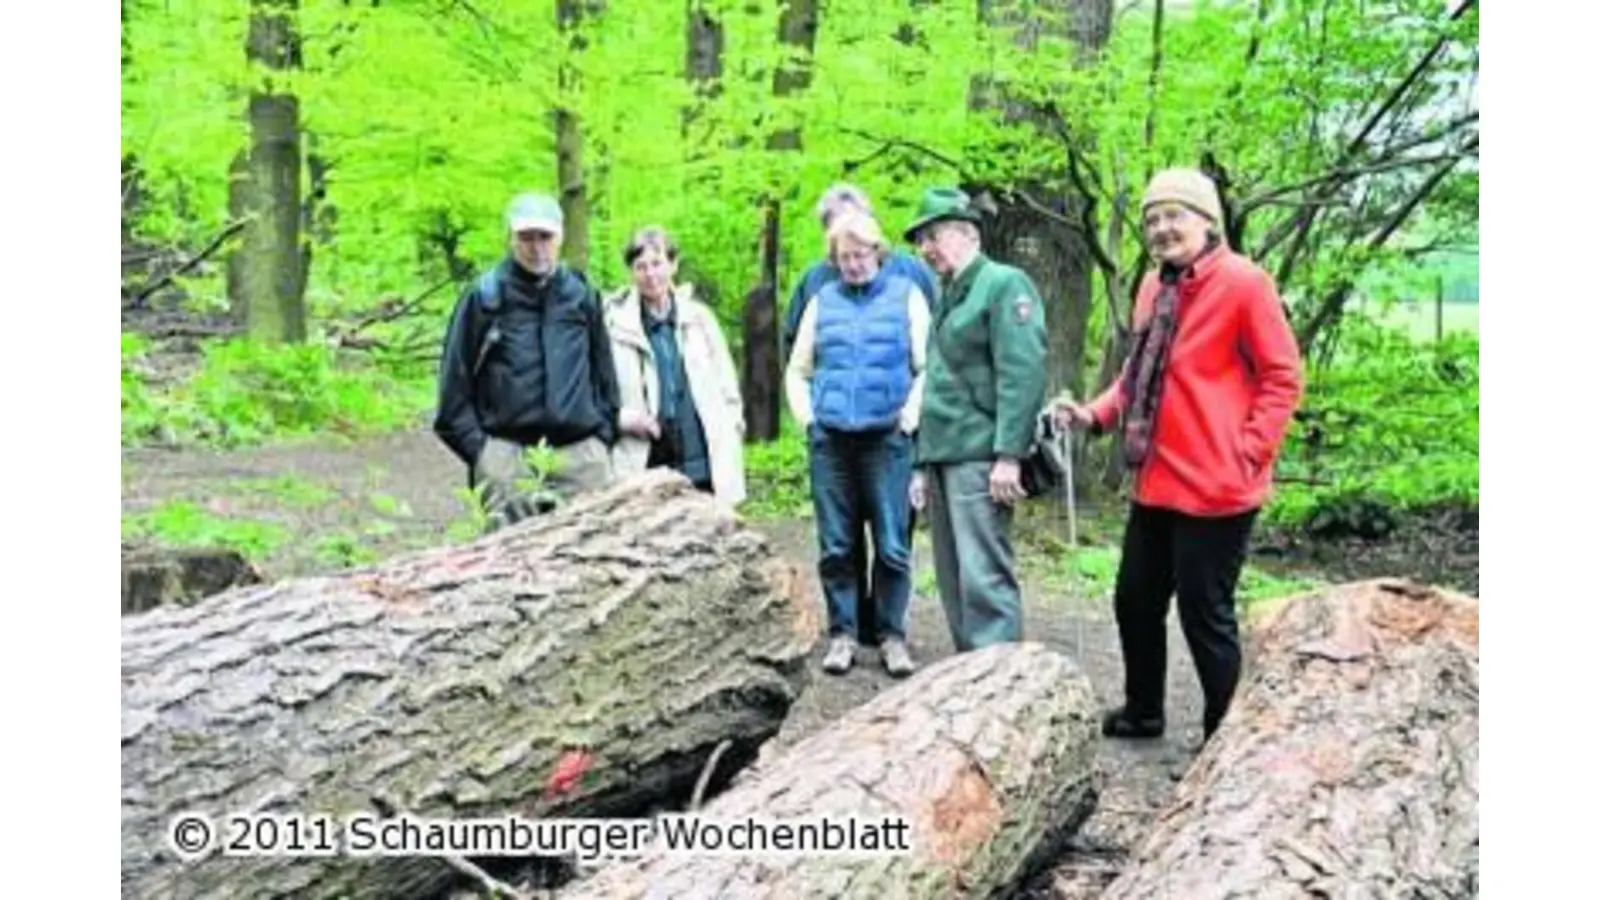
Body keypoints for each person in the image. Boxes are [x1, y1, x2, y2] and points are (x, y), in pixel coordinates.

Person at [1052, 168, 1304, 742]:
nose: (1162, 229)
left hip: (1219, 488)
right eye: (1152, 219)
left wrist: (1249, 451)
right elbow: (1138, 375)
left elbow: (1282, 376)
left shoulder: (1245, 283)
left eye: (1174, 216)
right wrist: (1093, 414)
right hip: (1158, 480)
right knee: (1135, 599)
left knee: (1204, 614)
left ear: (1207, 220)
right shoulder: (1154, 287)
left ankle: (1227, 738)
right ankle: (1144, 711)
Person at [782, 183, 938, 648]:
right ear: (834, 256)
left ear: (877, 250)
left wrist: (909, 421)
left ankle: (890, 633)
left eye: (861, 253)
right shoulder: (818, 295)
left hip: (888, 440)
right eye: (844, 254)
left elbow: (928, 364)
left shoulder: (908, 289)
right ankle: (844, 632)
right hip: (832, 440)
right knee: (836, 544)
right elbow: (797, 366)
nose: (853, 261)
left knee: (893, 543)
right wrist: (809, 421)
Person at [905, 187, 1048, 653]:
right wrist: (922, 465)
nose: (926, 248)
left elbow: (1021, 373)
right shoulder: (947, 293)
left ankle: (1001, 686)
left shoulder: (1003, 284)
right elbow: (937, 385)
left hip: (981, 456)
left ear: (968, 233)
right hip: (945, 454)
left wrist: (1010, 455)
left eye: (934, 235)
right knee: (953, 578)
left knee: (984, 578)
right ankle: (970, 681)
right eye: (920, 240)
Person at [433, 192, 619, 530]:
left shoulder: (580, 294)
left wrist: (601, 438)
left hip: (581, 461)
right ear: (511, 238)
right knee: (507, 570)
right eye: (526, 237)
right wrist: (484, 455)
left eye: (545, 237)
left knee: (596, 566)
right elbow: (453, 389)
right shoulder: (485, 297)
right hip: (507, 458)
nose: (537, 248)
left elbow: (604, 374)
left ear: (560, 237)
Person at [605, 226, 747, 509]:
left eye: (657, 263)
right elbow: (601, 389)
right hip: (645, 458)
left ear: (673, 265)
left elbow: (726, 383)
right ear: (631, 272)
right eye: (640, 266)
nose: (650, 274)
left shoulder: (700, 318)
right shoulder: (614, 324)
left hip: (703, 453)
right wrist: (620, 417)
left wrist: (732, 428)